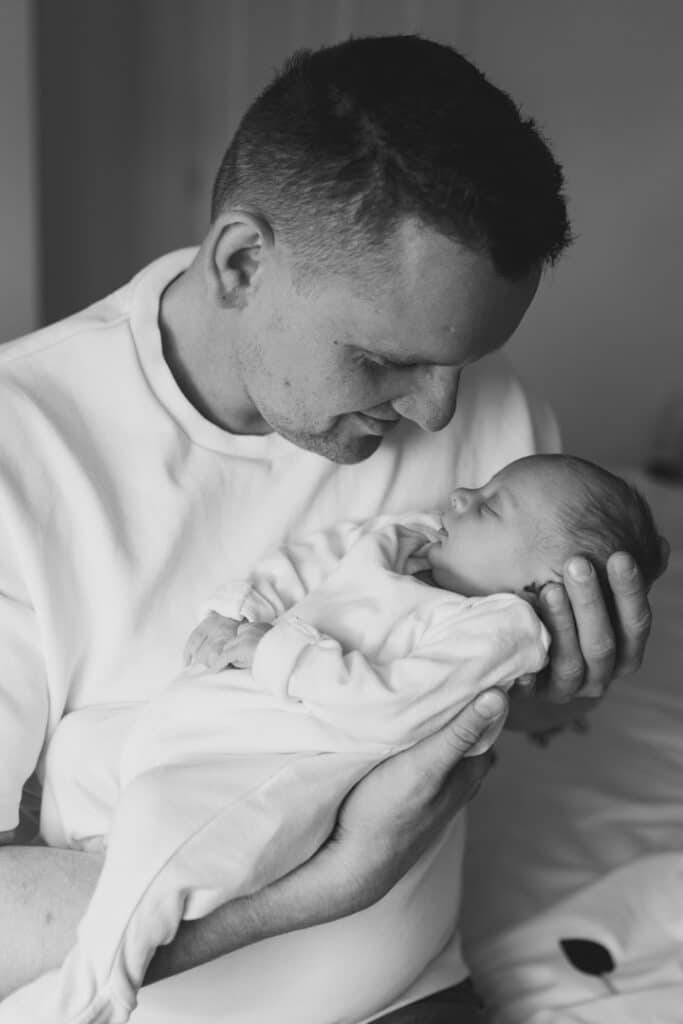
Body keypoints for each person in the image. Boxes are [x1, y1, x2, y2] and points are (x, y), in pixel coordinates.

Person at [0, 35, 656, 1024]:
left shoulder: (503, 429)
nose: (439, 413)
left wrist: (546, 699)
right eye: (387, 359)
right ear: (241, 262)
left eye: (463, 362)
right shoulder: (22, 451)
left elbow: (479, 705)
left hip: (414, 996)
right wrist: (325, 886)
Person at [3, 453, 664, 1024]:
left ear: (539, 589)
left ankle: (91, 990)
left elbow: (386, 707)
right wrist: (244, 606)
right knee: (79, 749)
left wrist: (270, 649)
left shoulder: (491, 630)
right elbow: (310, 560)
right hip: (206, 725)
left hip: (277, 768)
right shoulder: (404, 544)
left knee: (159, 829)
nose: (462, 494)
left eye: (490, 506)